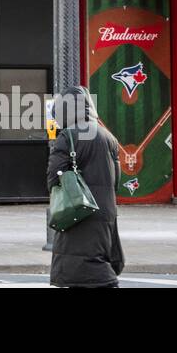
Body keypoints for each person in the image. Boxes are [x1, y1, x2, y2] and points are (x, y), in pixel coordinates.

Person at [46, 86, 125, 288]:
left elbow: (54, 177)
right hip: (106, 211)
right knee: (97, 257)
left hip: (79, 211)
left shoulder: (68, 136)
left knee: (79, 265)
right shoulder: (109, 137)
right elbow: (117, 180)